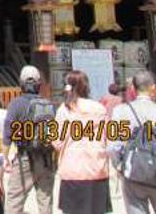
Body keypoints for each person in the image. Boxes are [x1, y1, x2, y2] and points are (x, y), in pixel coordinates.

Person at [109, 70, 156, 214]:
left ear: (133, 88)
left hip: (132, 172)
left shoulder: (120, 112)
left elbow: (114, 146)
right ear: (153, 88)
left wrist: (120, 166)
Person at [52, 70, 112, 214]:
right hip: (97, 169)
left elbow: (57, 142)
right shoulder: (100, 108)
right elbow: (109, 138)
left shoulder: (65, 110)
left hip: (73, 170)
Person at [1, 65, 56, 214]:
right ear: (39, 85)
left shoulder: (16, 104)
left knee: (14, 201)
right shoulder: (49, 104)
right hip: (46, 159)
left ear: (22, 84)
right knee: (45, 201)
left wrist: (4, 157)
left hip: (25, 158)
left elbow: (8, 133)